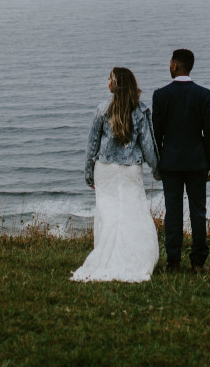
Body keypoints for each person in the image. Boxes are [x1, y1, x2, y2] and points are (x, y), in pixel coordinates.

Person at [71, 67, 161, 282]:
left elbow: (92, 145)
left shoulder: (103, 110)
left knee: (108, 214)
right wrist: (157, 170)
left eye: (110, 78)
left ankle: (106, 256)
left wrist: (88, 173)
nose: (107, 82)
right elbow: (148, 146)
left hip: (106, 169)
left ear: (116, 84)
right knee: (134, 211)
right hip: (131, 170)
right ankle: (136, 258)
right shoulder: (140, 111)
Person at [152, 48, 210, 274]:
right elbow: (209, 132)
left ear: (174, 65)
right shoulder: (204, 94)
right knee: (198, 211)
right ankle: (198, 262)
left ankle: (173, 261)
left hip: (170, 162)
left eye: (170, 63)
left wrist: (157, 162)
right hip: (197, 161)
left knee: (173, 212)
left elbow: (156, 134)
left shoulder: (160, 95)